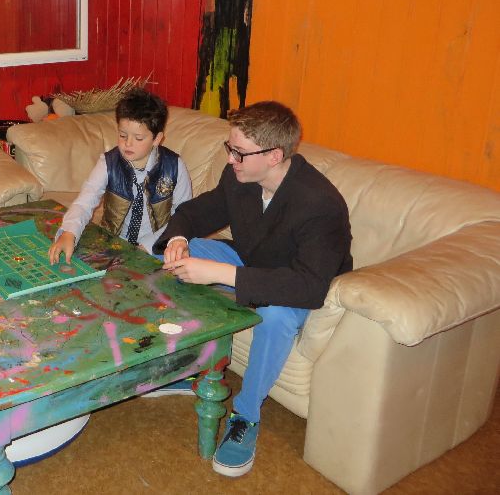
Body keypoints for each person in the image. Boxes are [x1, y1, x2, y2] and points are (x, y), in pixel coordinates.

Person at [152, 100, 352, 478]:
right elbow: (199, 211)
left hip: (295, 284)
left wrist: (223, 273)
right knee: (172, 255)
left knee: (274, 318)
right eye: (230, 148)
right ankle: (184, 366)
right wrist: (178, 237)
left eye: (239, 152)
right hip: (252, 263)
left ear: (274, 156)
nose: (231, 159)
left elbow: (309, 286)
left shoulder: (319, 204)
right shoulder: (240, 177)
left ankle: (246, 417)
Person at [48, 88, 192, 264]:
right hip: (113, 243)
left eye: (138, 138)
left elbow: (183, 215)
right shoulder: (108, 162)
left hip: (157, 245)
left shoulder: (175, 166)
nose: (127, 144)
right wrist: (69, 232)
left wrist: (147, 246)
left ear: (157, 139)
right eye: (123, 135)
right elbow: (85, 201)